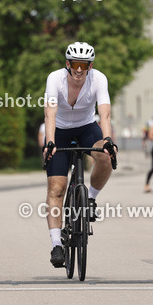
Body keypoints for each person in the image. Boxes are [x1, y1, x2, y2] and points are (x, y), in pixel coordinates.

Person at [42, 41, 116, 269]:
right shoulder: (55, 78)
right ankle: (56, 244)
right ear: (68, 64)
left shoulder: (99, 79)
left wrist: (108, 140)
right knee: (57, 188)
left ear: (90, 66)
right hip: (60, 130)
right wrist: (50, 141)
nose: (79, 70)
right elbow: (50, 113)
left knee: (105, 157)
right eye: (75, 64)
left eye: (84, 65)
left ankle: (90, 198)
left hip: (86, 127)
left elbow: (104, 113)